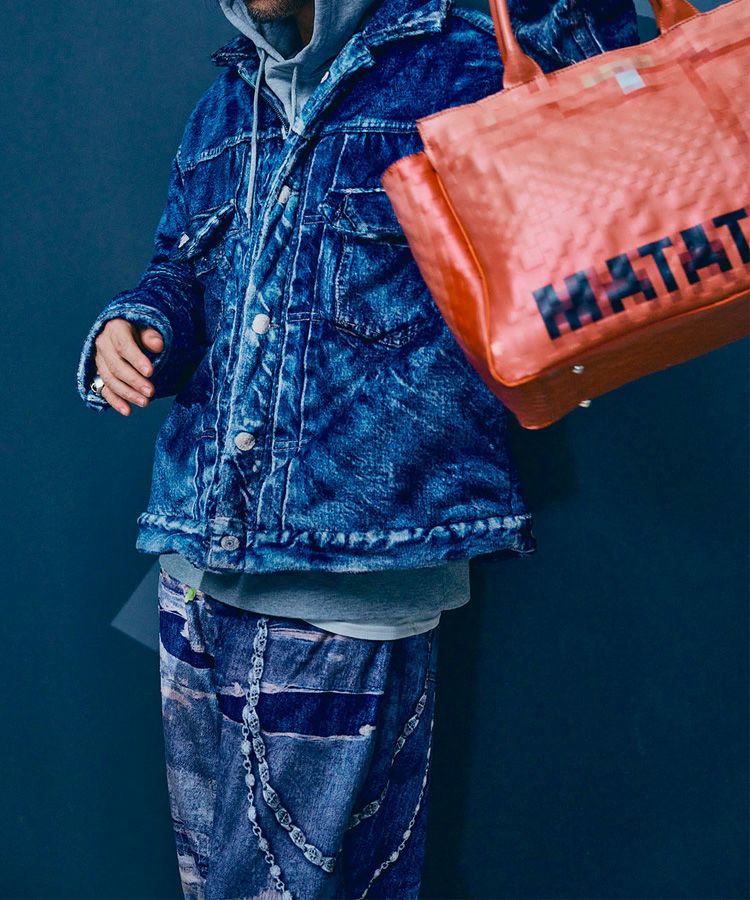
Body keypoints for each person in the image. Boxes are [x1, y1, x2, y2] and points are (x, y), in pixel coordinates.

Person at [75, 0, 639, 896]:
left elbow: (617, 79)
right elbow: (181, 269)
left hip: (346, 580)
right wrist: (137, 325)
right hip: (192, 566)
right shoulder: (228, 98)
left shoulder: (469, 56)